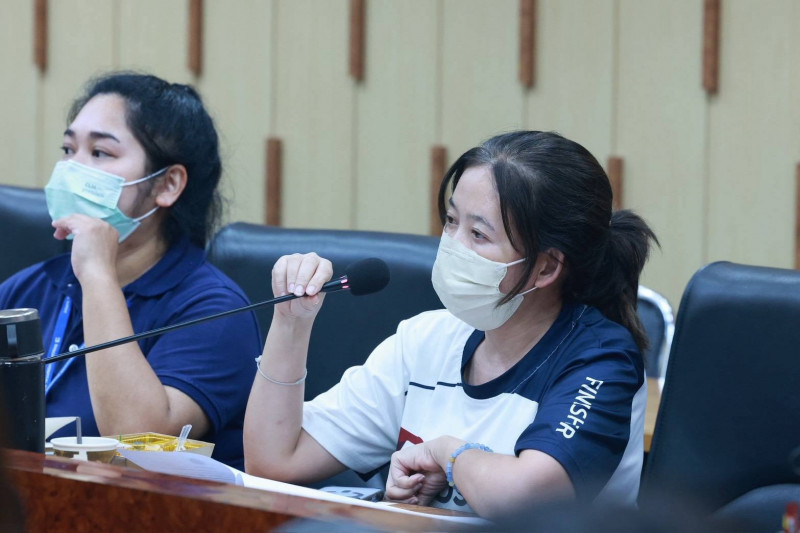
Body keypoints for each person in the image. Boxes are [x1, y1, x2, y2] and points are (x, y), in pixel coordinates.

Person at [243, 131, 658, 517]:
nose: (451, 245)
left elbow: (533, 502)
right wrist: (291, 322)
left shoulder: (600, 359)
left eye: (478, 234)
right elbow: (275, 462)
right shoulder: (428, 338)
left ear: (546, 267)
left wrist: (448, 455)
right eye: (451, 220)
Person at [0, 72, 261, 469]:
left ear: (167, 184)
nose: (72, 168)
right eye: (68, 149)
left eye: (100, 153)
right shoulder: (29, 289)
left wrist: (98, 276)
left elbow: (135, 444)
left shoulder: (216, 311)